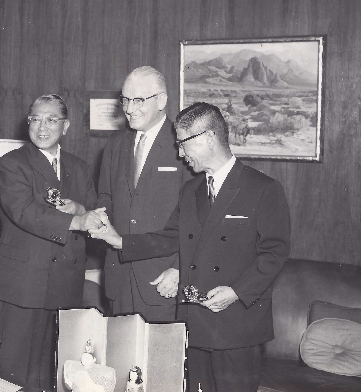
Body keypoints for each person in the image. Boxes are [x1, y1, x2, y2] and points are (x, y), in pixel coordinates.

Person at [90, 102, 291, 392]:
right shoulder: (191, 190)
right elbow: (169, 237)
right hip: (193, 322)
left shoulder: (263, 189)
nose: (180, 154)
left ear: (209, 138)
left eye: (183, 144)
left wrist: (236, 292)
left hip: (236, 325)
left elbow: (274, 254)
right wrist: (118, 240)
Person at [0, 94, 104, 392]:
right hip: (23, 283)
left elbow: (94, 212)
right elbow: (24, 211)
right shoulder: (10, 164)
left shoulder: (79, 167)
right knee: (17, 371)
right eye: (36, 119)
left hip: (66, 281)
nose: (42, 127)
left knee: (57, 366)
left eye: (51, 119)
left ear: (65, 126)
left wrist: (82, 211)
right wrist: (75, 222)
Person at [97, 66, 192, 322]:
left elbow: (200, 217)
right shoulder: (115, 145)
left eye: (139, 100)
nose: (129, 109)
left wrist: (180, 268)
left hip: (163, 280)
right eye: (125, 99)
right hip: (119, 278)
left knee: (159, 361)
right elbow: (105, 198)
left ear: (161, 101)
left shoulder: (183, 143)